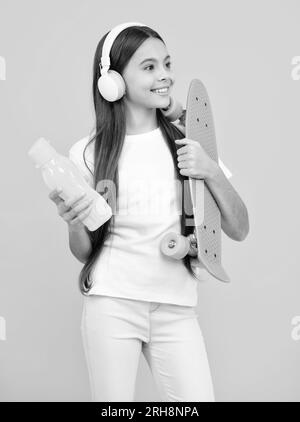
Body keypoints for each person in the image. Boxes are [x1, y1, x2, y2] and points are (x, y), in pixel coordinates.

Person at [49, 23, 249, 402]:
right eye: (150, 66)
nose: (166, 76)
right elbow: (82, 252)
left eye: (167, 64)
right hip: (111, 303)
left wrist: (210, 170)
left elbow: (239, 228)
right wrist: (74, 223)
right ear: (114, 81)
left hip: (176, 307)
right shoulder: (88, 153)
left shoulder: (189, 142)